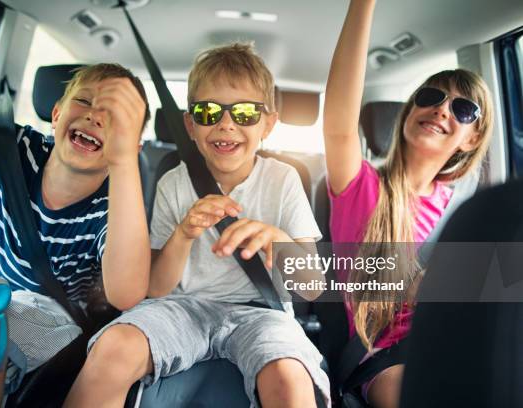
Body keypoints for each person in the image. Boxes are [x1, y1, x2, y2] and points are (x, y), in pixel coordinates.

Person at [64, 42, 331, 408]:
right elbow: (156, 287)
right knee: (114, 349)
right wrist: (184, 234)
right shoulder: (173, 182)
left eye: (245, 113)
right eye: (208, 112)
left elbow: (313, 287)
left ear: (267, 124)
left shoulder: (284, 180)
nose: (226, 124)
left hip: (262, 312)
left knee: (289, 378)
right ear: (190, 125)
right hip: (182, 307)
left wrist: (277, 240)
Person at [0, 49, 151, 400]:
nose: (95, 117)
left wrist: (125, 162)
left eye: (116, 119)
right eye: (84, 101)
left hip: (49, 319)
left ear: (130, 146)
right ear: (56, 114)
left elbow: (126, 292)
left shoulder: (114, 207)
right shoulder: (13, 146)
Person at [323, 1, 494, 407]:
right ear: (409, 110)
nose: (441, 109)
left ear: (471, 139)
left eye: (463, 109)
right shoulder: (361, 187)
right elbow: (339, 125)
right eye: (432, 96)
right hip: (385, 358)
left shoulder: (468, 206)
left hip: (456, 342)